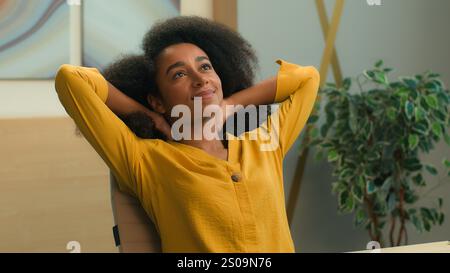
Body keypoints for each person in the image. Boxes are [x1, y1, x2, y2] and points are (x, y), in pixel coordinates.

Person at [54, 16, 320, 253]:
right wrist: (151, 117)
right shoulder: (145, 160)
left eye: (205, 67)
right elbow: (71, 79)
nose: (200, 78)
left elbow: (307, 78)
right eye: (179, 73)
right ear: (157, 100)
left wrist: (229, 104)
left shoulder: (264, 145)